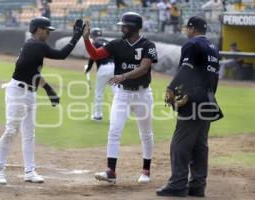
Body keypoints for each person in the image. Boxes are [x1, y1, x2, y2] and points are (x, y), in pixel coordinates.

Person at [0, 17, 85, 185]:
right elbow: (61, 55)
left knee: (29, 134)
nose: (49, 33)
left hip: (30, 93)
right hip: (17, 92)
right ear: (38, 29)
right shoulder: (35, 45)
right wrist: (76, 37)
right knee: (11, 131)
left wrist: (48, 89)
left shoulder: (34, 47)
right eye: (47, 30)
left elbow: (33, 72)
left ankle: (29, 171)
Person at [83, 12, 158, 184]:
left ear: (133, 27)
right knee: (114, 131)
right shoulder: (117, 44)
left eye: (124, 26)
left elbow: (144, 67)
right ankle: (111, 172)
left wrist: (123, 76)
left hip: (142, 94)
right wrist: (86, 39)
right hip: (123, 94)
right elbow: (95, 55)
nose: (121, 28)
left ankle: (146, 170)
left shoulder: (148, 44)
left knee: (145, 133)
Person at [156, 16, 223, 197]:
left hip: (192, 99)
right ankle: (197, 185)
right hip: (208, 99)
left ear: (192, 28)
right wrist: (208, 96)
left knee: (180, 143)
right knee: (200, 145)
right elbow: (215, 78)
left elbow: (185, 69)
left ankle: (178, 184)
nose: (186, 31)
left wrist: (172, 88)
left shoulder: (192, 44)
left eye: (187, 28)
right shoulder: (213, 48)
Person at [84, 28, 115, 121]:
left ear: (92, 36)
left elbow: (93, 57)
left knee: (99, 93)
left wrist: (88, 69)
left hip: (103, 68)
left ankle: (97, 116)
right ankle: (118, 115)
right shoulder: (108, 42)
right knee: (117, 93)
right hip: (114, 67)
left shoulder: (95, 43)